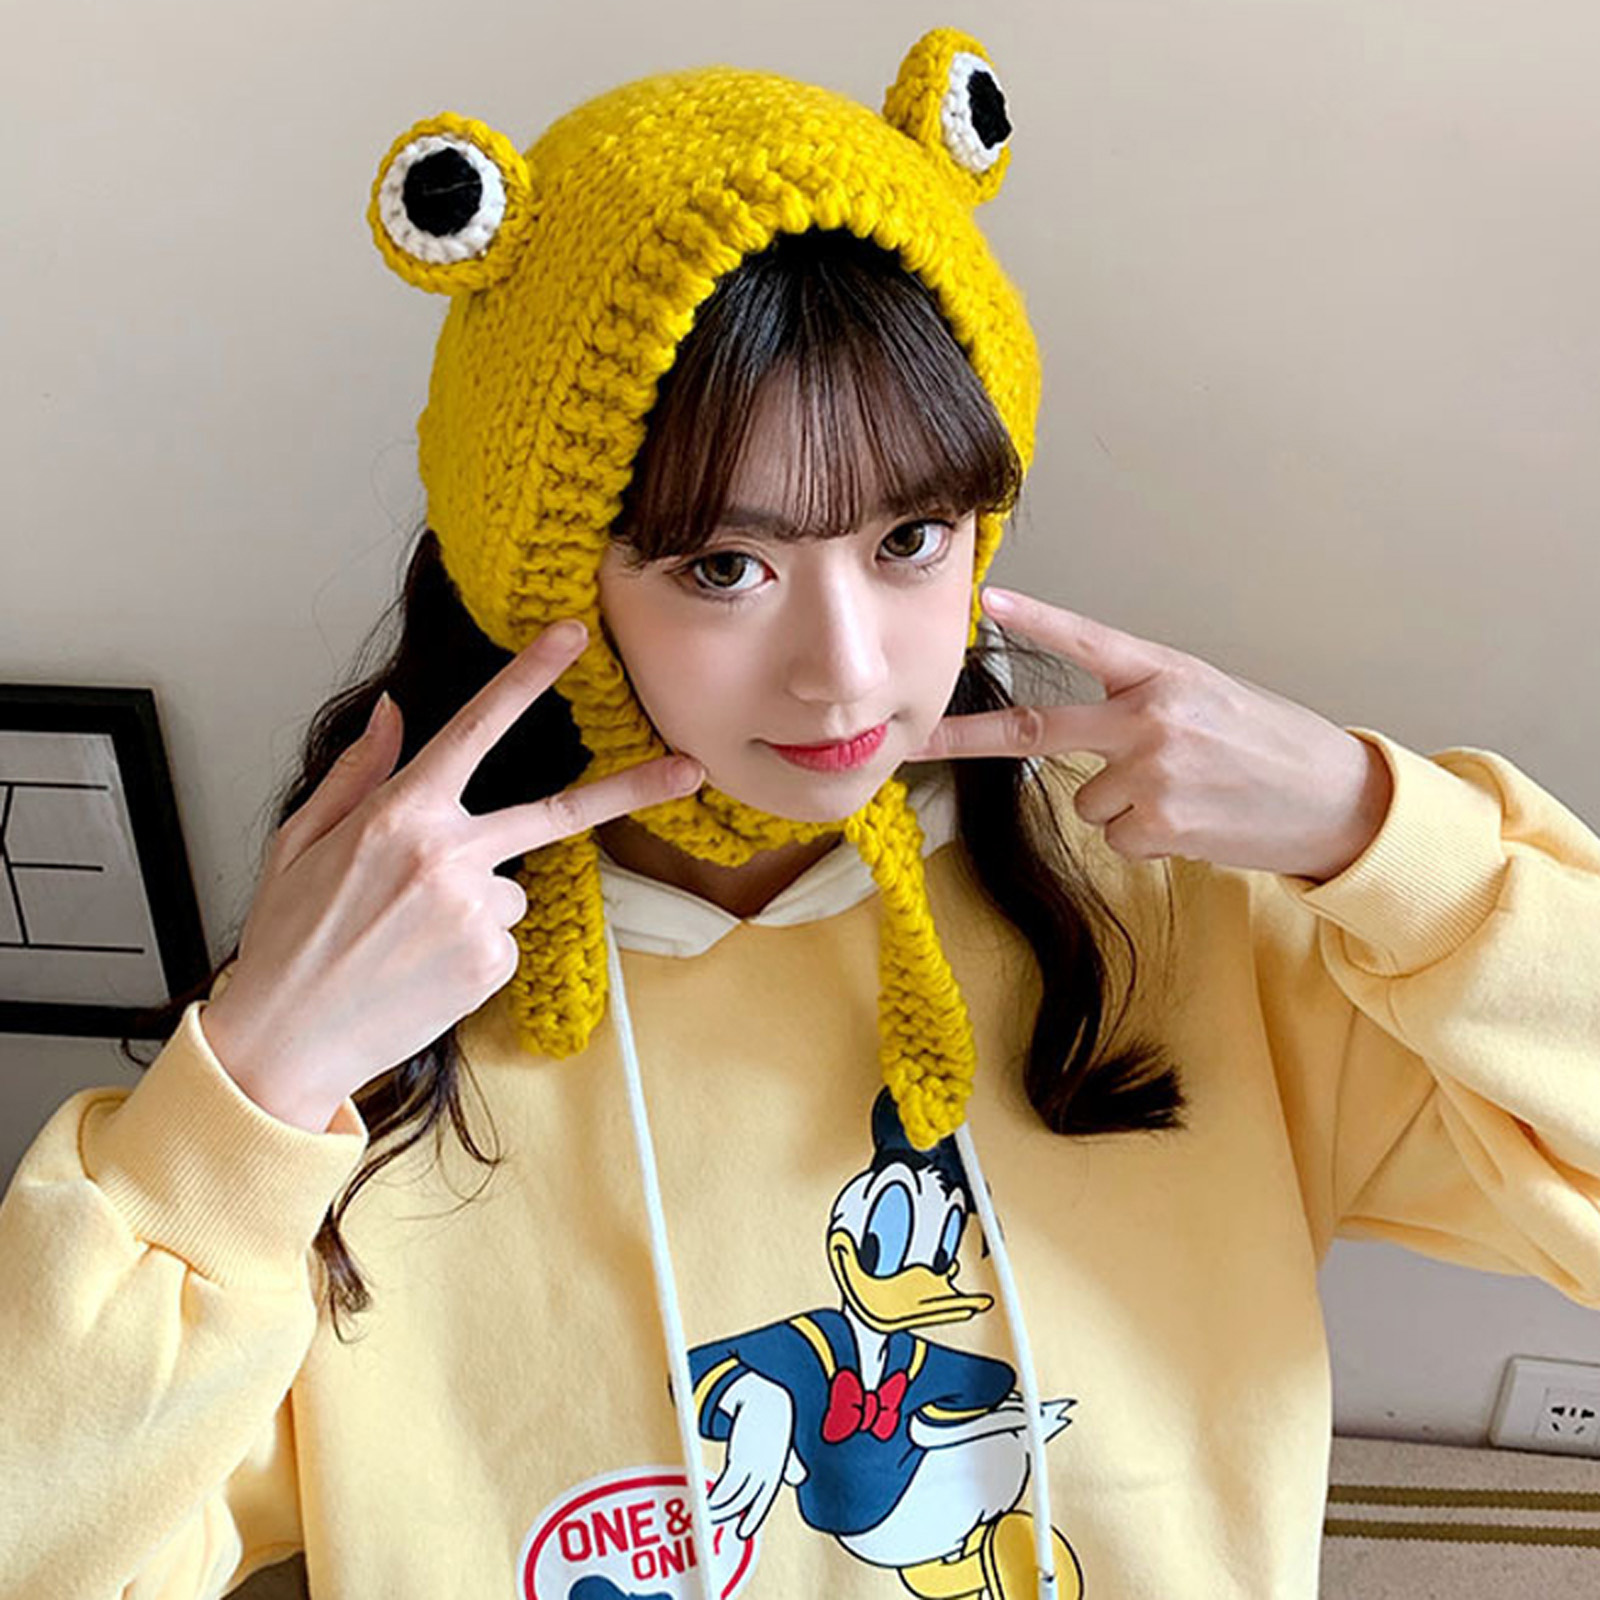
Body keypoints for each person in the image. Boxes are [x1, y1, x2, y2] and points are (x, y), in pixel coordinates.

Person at [4, 27, 1599, 1600]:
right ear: (551, 582)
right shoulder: (379, 1009)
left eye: (911, 539)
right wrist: (255, 1084)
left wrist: (1379, 837)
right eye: (725, 565)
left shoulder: (1174, 899)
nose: (847, 671)